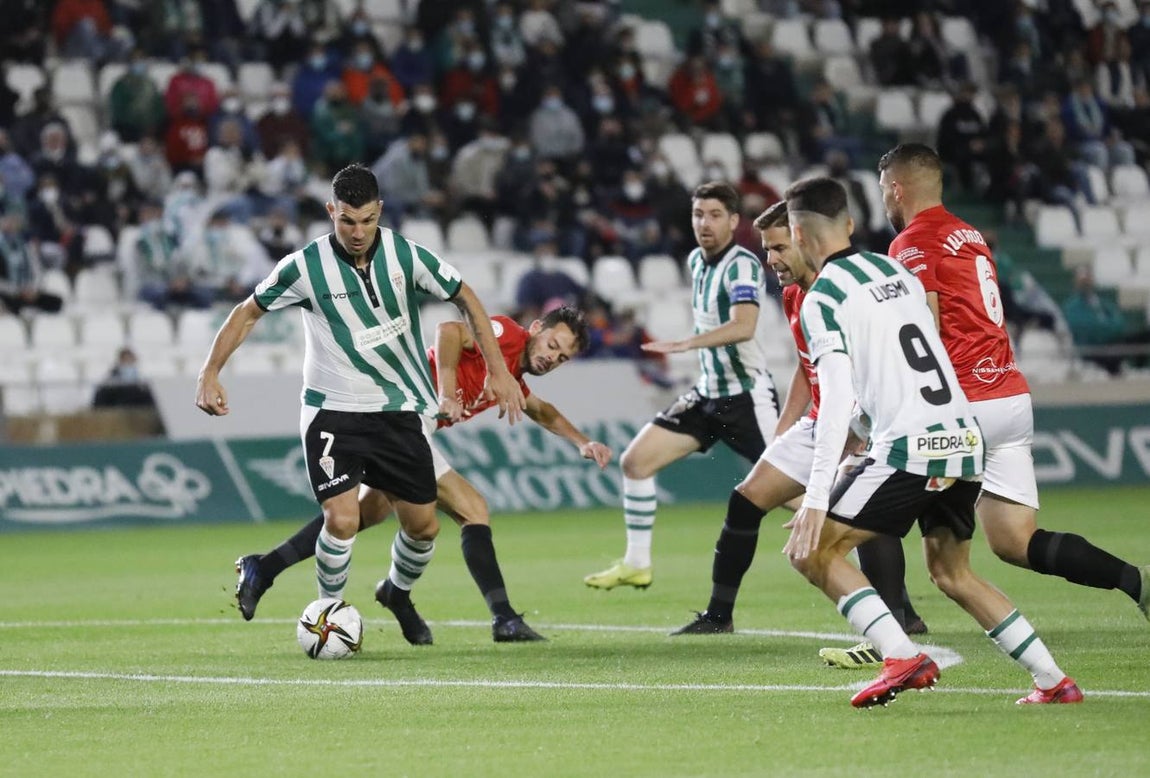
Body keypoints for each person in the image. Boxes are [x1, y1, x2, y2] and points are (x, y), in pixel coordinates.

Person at [780, 176, 1082, 708]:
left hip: (912, 445)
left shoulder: (821, 298)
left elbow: (835, 397)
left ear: (800, 236)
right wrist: (862, 437)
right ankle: (1054, 681)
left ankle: (901, 655)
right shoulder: (893, 269)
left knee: (810, 552)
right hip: (964, 437)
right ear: (849, 224)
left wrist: (814, 496)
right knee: (951, 572)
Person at [195, 163, 526, 646]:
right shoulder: (303, 267)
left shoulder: (406, 255)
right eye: (347, 220)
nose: (357, 232)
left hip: (399, 409)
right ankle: (328, 615)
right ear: (332, 211)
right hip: (333, 409)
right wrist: (210, 371)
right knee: (344, 518)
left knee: (424, 526)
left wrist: (498, 369)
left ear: (380, 213)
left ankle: (391, 592)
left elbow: (466, 298)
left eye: (368, 220)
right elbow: (248, 313)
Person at [870, 143, 1148, 619]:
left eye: (882, 192)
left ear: (896, 188)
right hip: (1009, 398)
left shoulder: (911, 242)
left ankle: (890, 635)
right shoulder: (970, 235)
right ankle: (1137, 582)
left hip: (961, 406)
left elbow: (925, 328)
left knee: (865, 509)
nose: (884, 204)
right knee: (1015, 540)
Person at [233, 306, 610, 642]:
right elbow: (450, 329)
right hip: (405, 416)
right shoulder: (507, 336)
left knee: (367, 513)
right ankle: (501, 618)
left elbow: (541, 410)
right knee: (471, 510)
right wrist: (447, 391)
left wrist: (582, 442)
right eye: (552, 344)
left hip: (399, 422)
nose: (552, 357)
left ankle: (264, 568)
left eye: (561, 357)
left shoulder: (512, 377)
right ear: (538, 327)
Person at [671, 200, 926, 636]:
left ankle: (900, 618)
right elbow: (807, 368)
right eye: (768, 250)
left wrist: (859, 427)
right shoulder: (793, 296)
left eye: (781, 248)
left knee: (864, 516)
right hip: (820, 420)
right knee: (747, 499)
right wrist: (782, 431)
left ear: (806, 242)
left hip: (865, 420)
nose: (772, 260)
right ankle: (718, 616)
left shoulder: (842, 290)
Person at [583, 182, 779, 590]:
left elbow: (744, 326)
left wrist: (687, 343)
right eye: (698, 214)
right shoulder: (695, 261)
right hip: (707, 394)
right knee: (635, 462)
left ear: (734, 221)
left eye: (714, 215)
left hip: (746, 397)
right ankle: (637, 563)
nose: (704, 223)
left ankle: (874, 570)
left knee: (796, 493)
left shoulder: (742, 264)